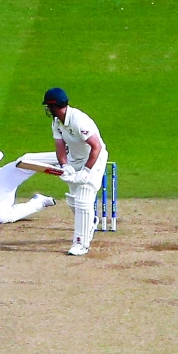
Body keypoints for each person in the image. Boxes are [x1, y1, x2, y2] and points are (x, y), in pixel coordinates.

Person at [43, 87, 108, 256]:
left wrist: (86, 171)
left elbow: (97, 147)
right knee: (73, 201)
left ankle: (81, 244)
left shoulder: (79, 120)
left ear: (54, 106)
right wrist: (65, 166)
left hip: (94, 159)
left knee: (83, 201)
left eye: (49, 107)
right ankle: (90, 222)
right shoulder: (57, 123)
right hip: (75, 159)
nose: (48, 110)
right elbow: (60, 147)